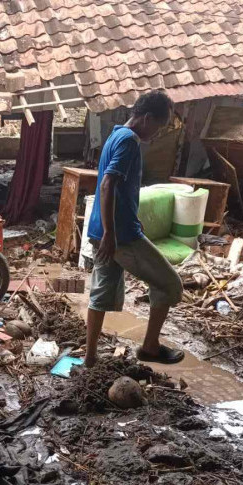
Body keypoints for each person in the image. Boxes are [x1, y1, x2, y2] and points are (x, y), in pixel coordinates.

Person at [85, 90, 184, 367]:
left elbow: (118, 188)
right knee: (170, 284)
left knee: (100, 293)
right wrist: (111, 233)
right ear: (147, 118)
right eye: (159, 127)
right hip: (120, 236)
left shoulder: (116, 135)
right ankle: (150, 346)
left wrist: (114, 225)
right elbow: (107, 185)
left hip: (100, 231)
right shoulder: (129, 141)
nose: (156, 135)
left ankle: (90, 357)